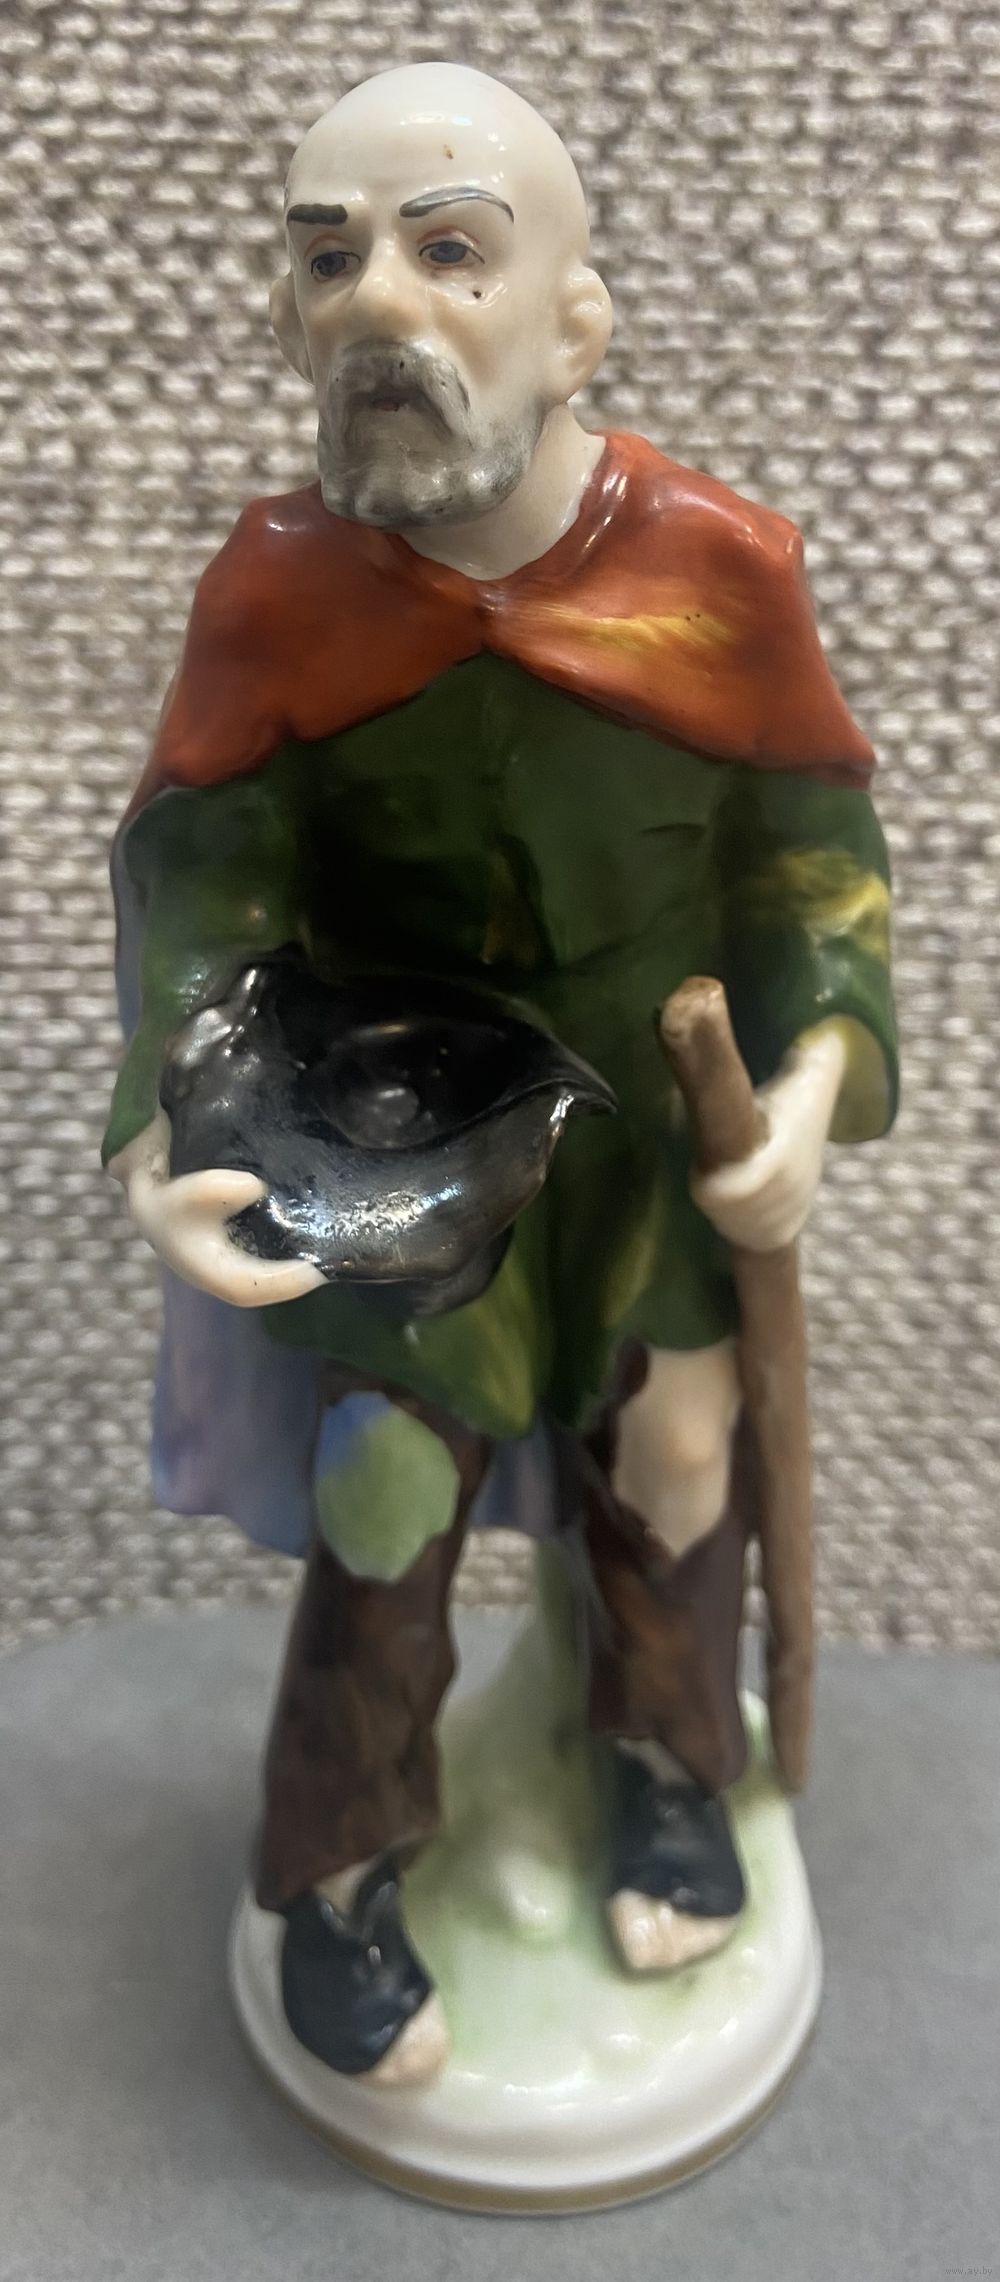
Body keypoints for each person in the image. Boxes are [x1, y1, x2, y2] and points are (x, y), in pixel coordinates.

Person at [104, 62, 897, 2089]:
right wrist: (168, 1120)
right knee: (383, 1490)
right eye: (330, 258)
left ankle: (663, 1768)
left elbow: (812, 870)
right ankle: (342, 1865)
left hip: (643, 1132)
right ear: (288, 317)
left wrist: (813, 1082)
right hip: (393, 1131)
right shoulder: (274, 593)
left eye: (448, 250)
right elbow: (203, 882)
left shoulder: (721, 573)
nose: (379, 300)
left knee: (679, 1458)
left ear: (573, 321)